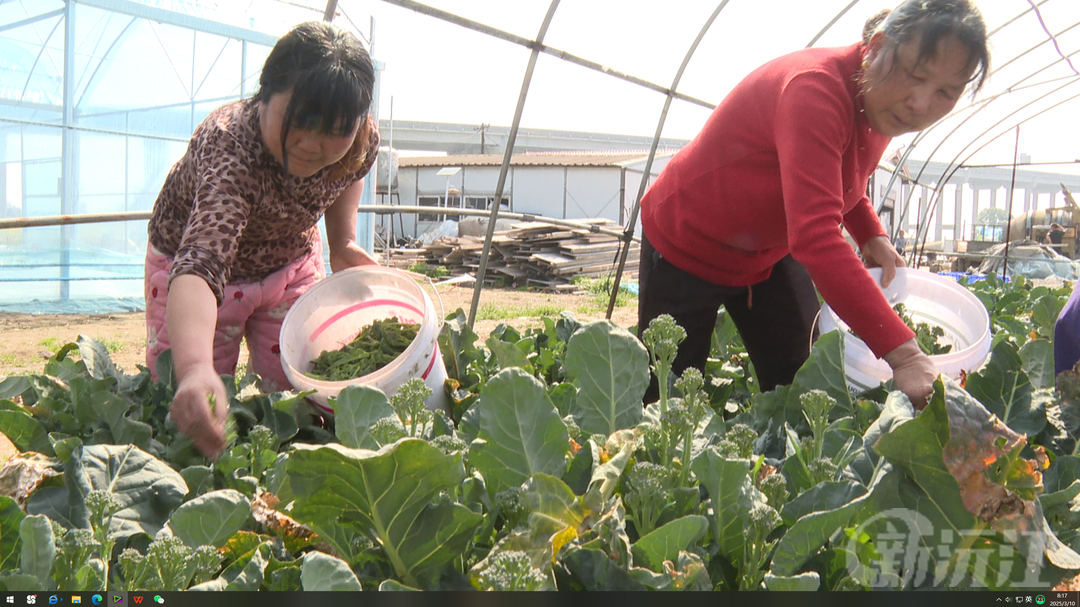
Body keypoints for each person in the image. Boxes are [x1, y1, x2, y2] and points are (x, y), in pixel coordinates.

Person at [637, 0, 989, 407]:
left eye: (946, 91)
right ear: (876, 48)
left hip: (767, 253)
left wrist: (869, 231)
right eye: (916, 75)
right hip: (688, 241)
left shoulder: (881, 101)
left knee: (803, 386)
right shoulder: (814, 90)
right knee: (668, 400)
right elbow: (816, 237)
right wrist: (906, 355)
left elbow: (838, 168)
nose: (922, 104)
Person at [144, 21, 381, 458]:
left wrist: (342, 240)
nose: (314, 144)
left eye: (335, 129)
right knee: (200, 404)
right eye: (301, 122)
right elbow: (199, 265)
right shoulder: (231, 149)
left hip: (288, 262)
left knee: (298, 384)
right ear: (264, 95)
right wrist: (194, 368)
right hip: (199, 278)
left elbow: (352, 169)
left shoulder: (359, 140)